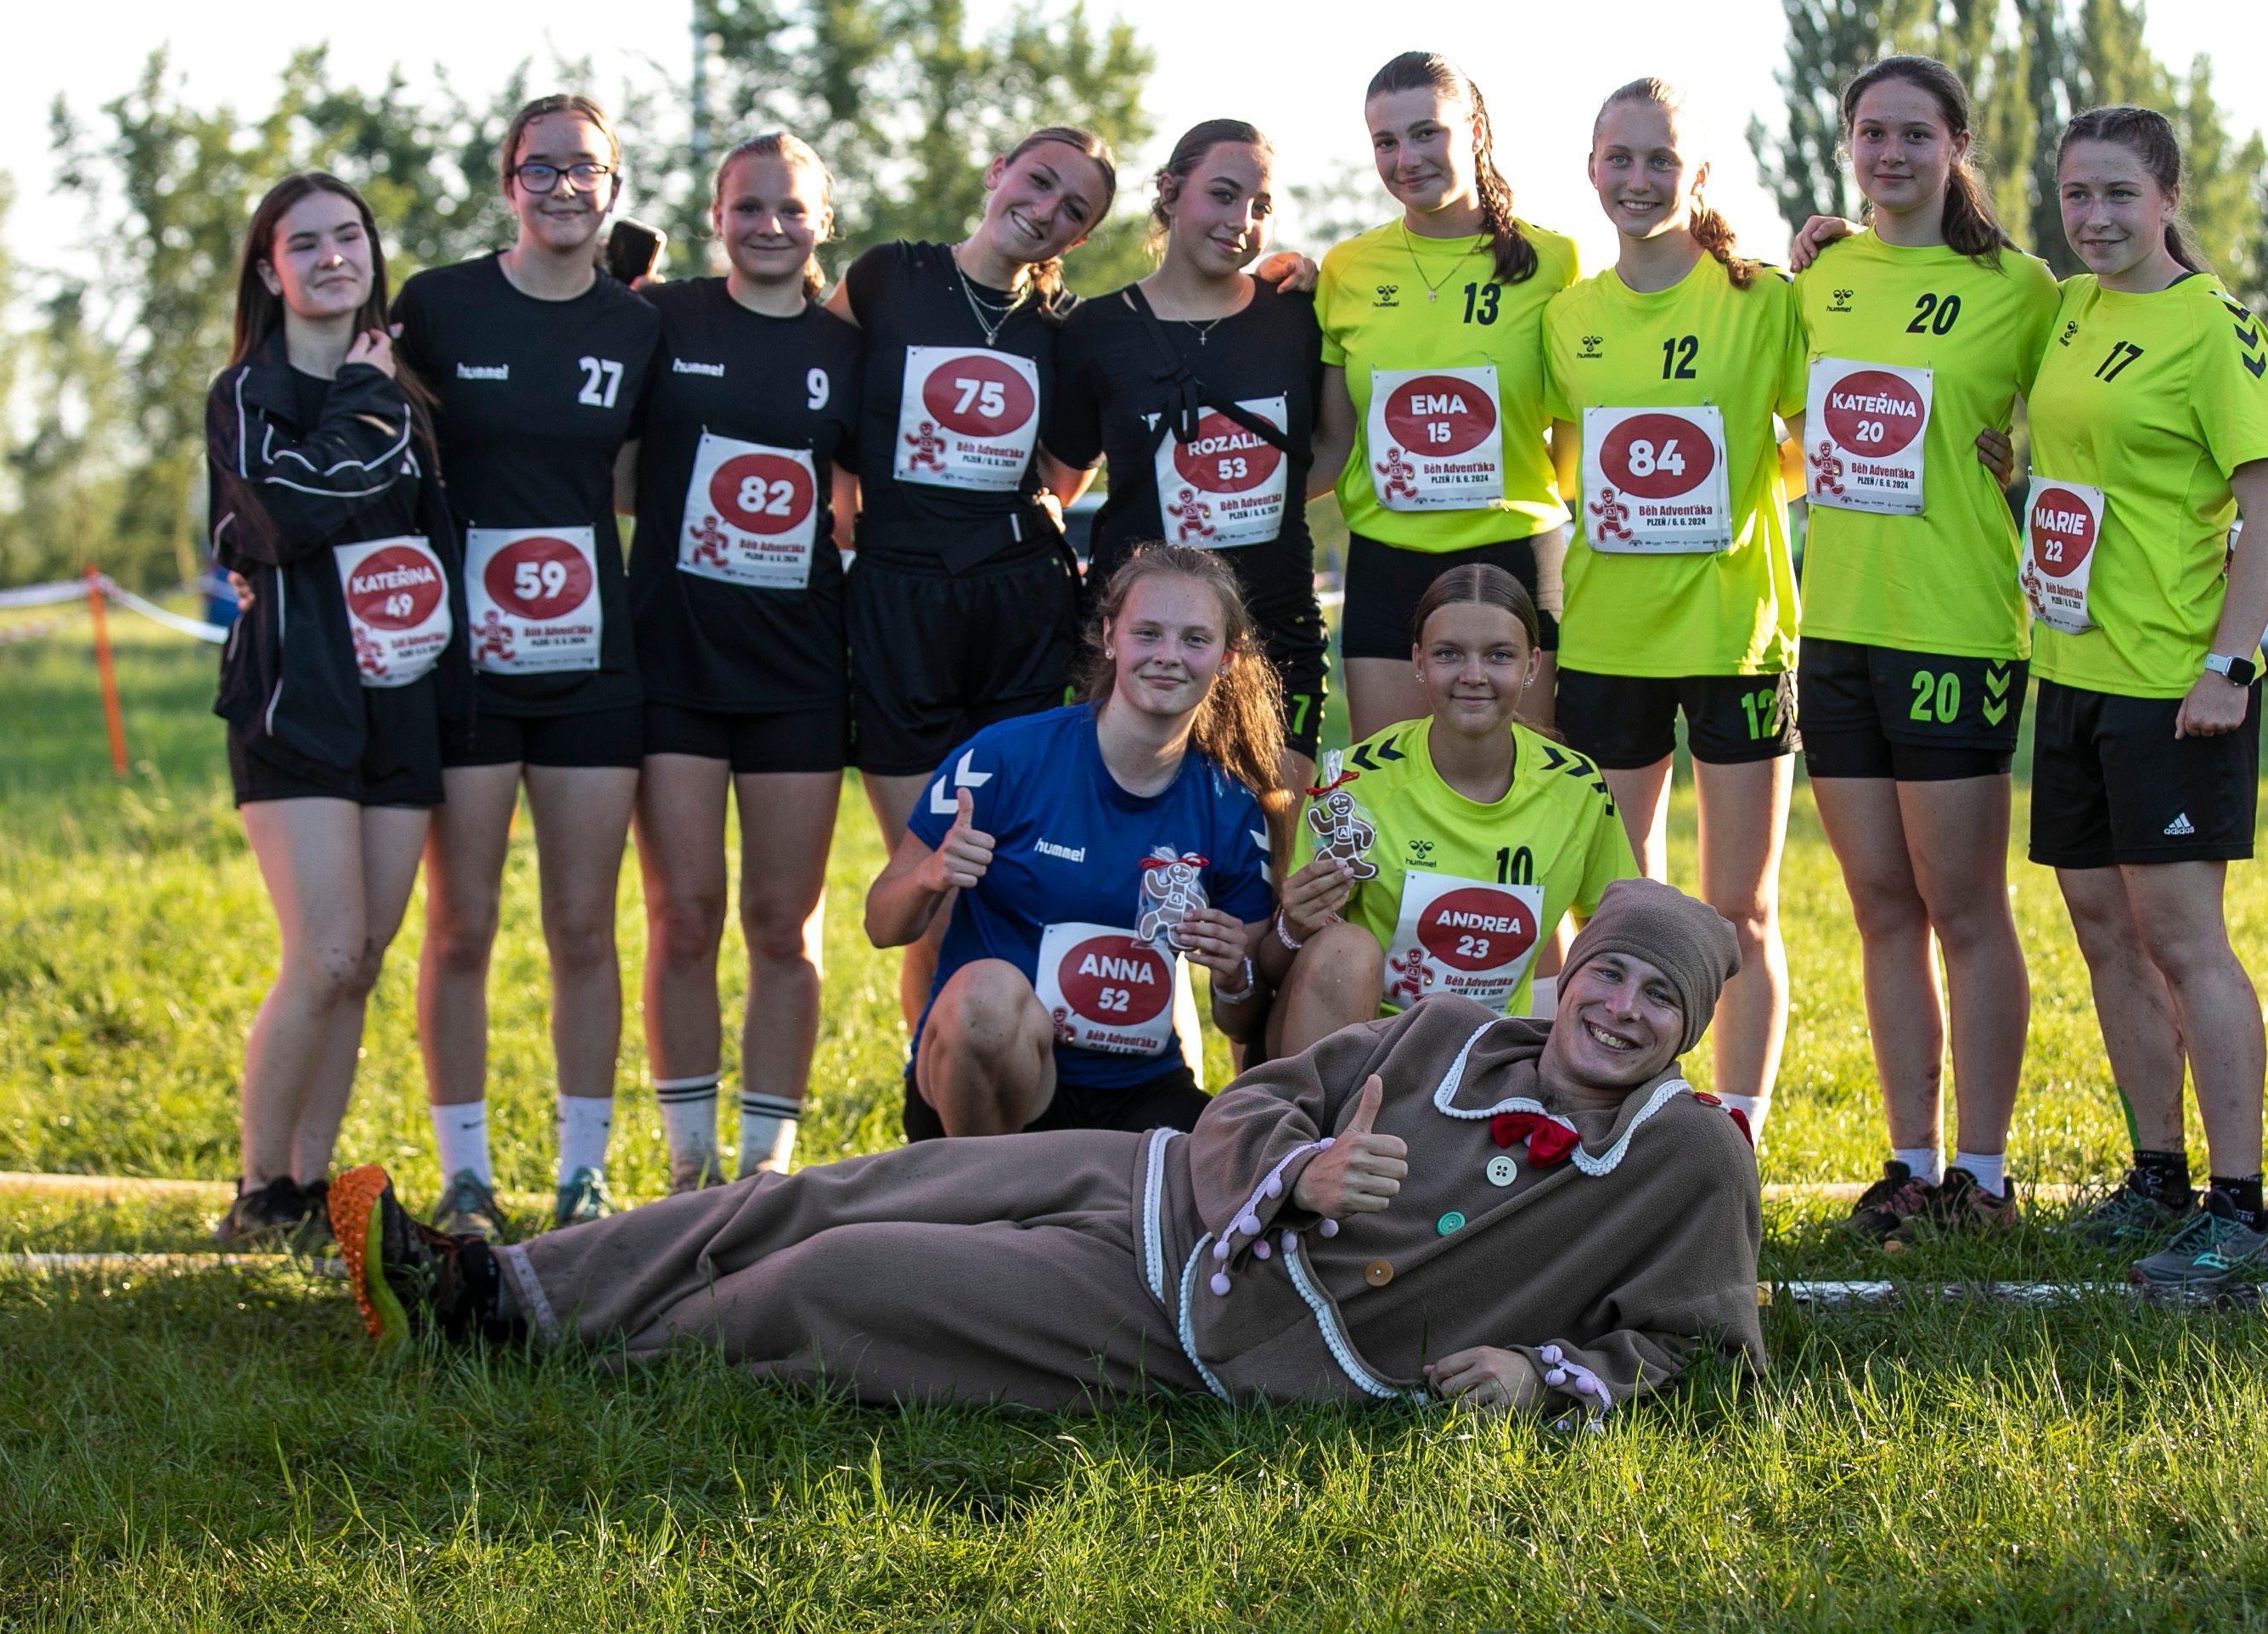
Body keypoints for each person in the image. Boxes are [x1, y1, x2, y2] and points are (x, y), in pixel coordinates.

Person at [326, 878, 1763, 1420]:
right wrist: (1297, 1174)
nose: (1622, 1011)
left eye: (1661, 1000)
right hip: (1151, 1182)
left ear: (1689, 1032)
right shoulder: (1456, 1033)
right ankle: (499, 1291)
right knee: (825, 1188)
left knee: (841, 1278)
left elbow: (1702, 1353)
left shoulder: (1684, 1162)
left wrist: (1540, 1375)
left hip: (1209, 1323)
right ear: (1570, 978)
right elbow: (1263, 1101)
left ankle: (594, 1359)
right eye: (1609, 976)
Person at [1783, 56, 2061, 1239]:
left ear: (1957, 146)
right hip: (1838, 625)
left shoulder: (2022, 287)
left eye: (1913, 133)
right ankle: (1911, 1163)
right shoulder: (1821, 276)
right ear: (1847, 145)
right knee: (1881, 908)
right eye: (1869, 132)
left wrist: (2025, 467)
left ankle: (1984, 1178)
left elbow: (2083, 423)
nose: (1889, 152)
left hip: (1956, 628)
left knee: (1966, 909)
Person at [2023, 105, 2268, 1294]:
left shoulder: (2216, 328)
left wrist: (2227, 665)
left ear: (2169, 199)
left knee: (2185, 940)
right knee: (2105, 934)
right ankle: (2157, 1175)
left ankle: (2242, 1208)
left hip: (2174, 687)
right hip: (2072, 672)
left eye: (2119, 194)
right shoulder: (2069, 310)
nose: (2095, 218)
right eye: (2077, 194)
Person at [390, 93, 667, 1237]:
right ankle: (464, 1174)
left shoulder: (639, 324)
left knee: (584, 927)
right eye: (540, 168)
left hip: (592, 663)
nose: (563, 187)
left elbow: (646, 482)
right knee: (460, 926)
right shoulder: (438, 304)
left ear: (613, 188)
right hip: (463, 662)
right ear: (509, 184)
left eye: (585, 169)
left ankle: (581, 1174)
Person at [1538, 77, 1804, 1141]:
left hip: (1738, 637)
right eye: (1621, 158)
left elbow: (1809, 447)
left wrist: (1737, 489)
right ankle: (1628, 1114)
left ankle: (1736, 1129)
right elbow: (1562, 467)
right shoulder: (1569, 316)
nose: (1639, 179)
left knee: (1742, 908)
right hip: (1609, 637)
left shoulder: (1764, 299)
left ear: (1698, 175)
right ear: (1593, 169)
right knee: (1616, 909)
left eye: (1661, 160)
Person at [205, 172, 466, 1247]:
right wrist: (365, 401)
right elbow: (280, 511)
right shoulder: (248, 392)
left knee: (361, 956)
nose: (331, 257)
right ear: (271, 271)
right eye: (304, 242)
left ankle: (310, 1189)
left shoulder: (411, 394)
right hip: (292, 699)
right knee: (319, 952)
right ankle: (258, 1189)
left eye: (348, 235)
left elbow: (423, 535)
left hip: (399, 698)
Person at [823, 127, 1116, 1033]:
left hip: (1018, 606)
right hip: (896, 599)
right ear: (998, 172)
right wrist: (851, 529)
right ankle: (935, 1097)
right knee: (931, 883)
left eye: (1074, 209)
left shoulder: (1065, 329)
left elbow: (1065, 474)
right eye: (1039, 180)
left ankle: (1024, 1081)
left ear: (1079, 238)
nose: (1047, 209)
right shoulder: (887, 276)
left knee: (1019, 882)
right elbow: (816, 401)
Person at [627, 133, 864, 1192]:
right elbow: (619, 468)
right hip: (671, 661)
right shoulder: (664, 318)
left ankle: (766, 1169)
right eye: (750, 206)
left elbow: (860, 496)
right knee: (683, 915)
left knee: (783, 923)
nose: (771, 225)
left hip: (798, 668)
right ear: (716, 216)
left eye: (793, 209)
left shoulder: (847, 347)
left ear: (824, 224)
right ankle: (690, 1165)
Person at [864, 544, 1281, 1139]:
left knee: (1209, 1171)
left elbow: (1242, 1022)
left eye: (1194, 639)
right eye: (1147, 633)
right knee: (986, 993)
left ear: (1226, 658)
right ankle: (980, 1185)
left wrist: (1235, 974)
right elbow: (881, 926)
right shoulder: (1002, 759)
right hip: (993, 1087)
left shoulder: (1232, 807)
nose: (1168, 656)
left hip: (1136, 1088)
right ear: (1111, 637)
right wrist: (931, 876)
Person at [1045, 119, 1332, 831]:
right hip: (1143, 635)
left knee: (1269, 852)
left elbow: (1332, 449)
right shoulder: (1096, 331)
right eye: (1223, 195)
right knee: (1125, 848)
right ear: (1170, 191)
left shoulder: (1301, 318)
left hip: (1273, 624)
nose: (1242, 221)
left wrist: (1244, 496)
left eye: (1261, 207)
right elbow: (1060, 476)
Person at [1246, 563, 1636, 1060]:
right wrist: (1292, 927)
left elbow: (1625, 940)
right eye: (1448, 654)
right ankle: (1309, 1111)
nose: (1473, 676)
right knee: (1345, 949)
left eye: (1499, 655)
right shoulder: (1352, 783)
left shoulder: (1578, 789)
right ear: (1418, 660)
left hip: (1489, 1053)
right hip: (1361, 1047)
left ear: (1533, 664)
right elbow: (1284, 971)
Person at [1316, 53, 1580, 739]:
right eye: (1386, 141)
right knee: (1389, 785)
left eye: (1426, 132)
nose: (1406, 159)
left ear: (1477, 131)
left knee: (1526, 789)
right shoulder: (1345, 270)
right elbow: (1334, 447)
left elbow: (1585, 426)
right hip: (1385, 562)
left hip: (1515, 555)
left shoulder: (1556, 262)